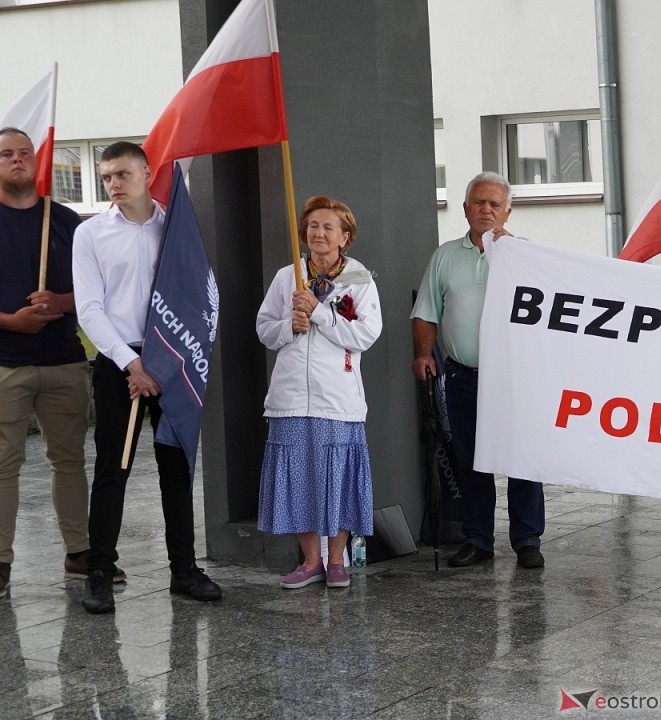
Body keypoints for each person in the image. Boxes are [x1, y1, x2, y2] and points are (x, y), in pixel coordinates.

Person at [72, 141, 221, 613]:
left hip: (171, 361)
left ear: (146, 173)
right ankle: (99, 571)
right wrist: (130, 363)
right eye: (106, 177)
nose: (114, 185)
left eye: (122, 175)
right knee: (112, 471)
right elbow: (89, 308)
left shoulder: (174, 230)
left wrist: (161, 362)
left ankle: (184, 569)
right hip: (120, 364)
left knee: (176, 471)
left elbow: (194, 295)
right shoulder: (91, 234)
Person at [411, 172, 546, 570]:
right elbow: (426, 312)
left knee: (523, 460)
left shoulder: (527, 255)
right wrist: (423, 353)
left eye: (494, 204)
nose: (485, 210)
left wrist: (514, 258)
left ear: (508, 211)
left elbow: (548, 311)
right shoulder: (444, 256)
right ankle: (477, 539)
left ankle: (527, 540)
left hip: (515, 379)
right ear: (466, 207)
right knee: (470, 460)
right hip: (463, 377)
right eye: (478, 202)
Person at [256, 196, 383, 590]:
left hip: (337, 399)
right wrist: (288, 327)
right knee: (299, 478)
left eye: (328, 227)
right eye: (312, 227)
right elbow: (264, 328)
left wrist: (318, 312)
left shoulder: (359, 280)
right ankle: (311, 561)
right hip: (291, 397)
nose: (319, 234)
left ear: (345, 237)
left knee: (338, 478)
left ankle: (336, 559)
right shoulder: (286, 276)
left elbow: (366, 334)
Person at [0, 127, 101, 599]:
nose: (17, 160)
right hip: (5, 363)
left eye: (25, 153)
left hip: (63, 360)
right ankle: (0, 562)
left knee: (70, 461)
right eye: (6, 154)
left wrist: (61, 302)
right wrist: (9, 321)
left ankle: (80, 553)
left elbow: (99, 293)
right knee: (3, 464)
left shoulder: (66, 221)